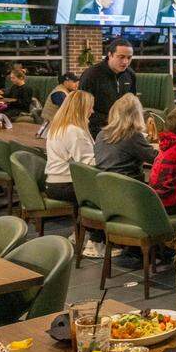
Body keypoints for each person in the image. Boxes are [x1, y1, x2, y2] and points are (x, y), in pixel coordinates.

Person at [45, 91, 106, 258]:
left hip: (53, 183)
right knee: (107, 196)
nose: (92, 111)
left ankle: (80, 234)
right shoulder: (74, 131)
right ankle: (96, 242)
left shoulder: (57, 127)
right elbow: (88, 163)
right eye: (90, 107)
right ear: (81, 108)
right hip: (66, 184)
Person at [79, 37, 137, 136]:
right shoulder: (92, 74)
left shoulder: (130, 75)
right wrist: (111, 120)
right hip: (96, 129)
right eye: (121, 57)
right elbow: (82, 108)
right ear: (110, 55)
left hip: (121, 128)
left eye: (129, 57)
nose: (125, 62)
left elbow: (131, 102)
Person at [94, 93, 158, 181]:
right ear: (136, 114)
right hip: (129, 187)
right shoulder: (132, 135)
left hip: (104, 187)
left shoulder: (101, 134)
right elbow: (154, 158)